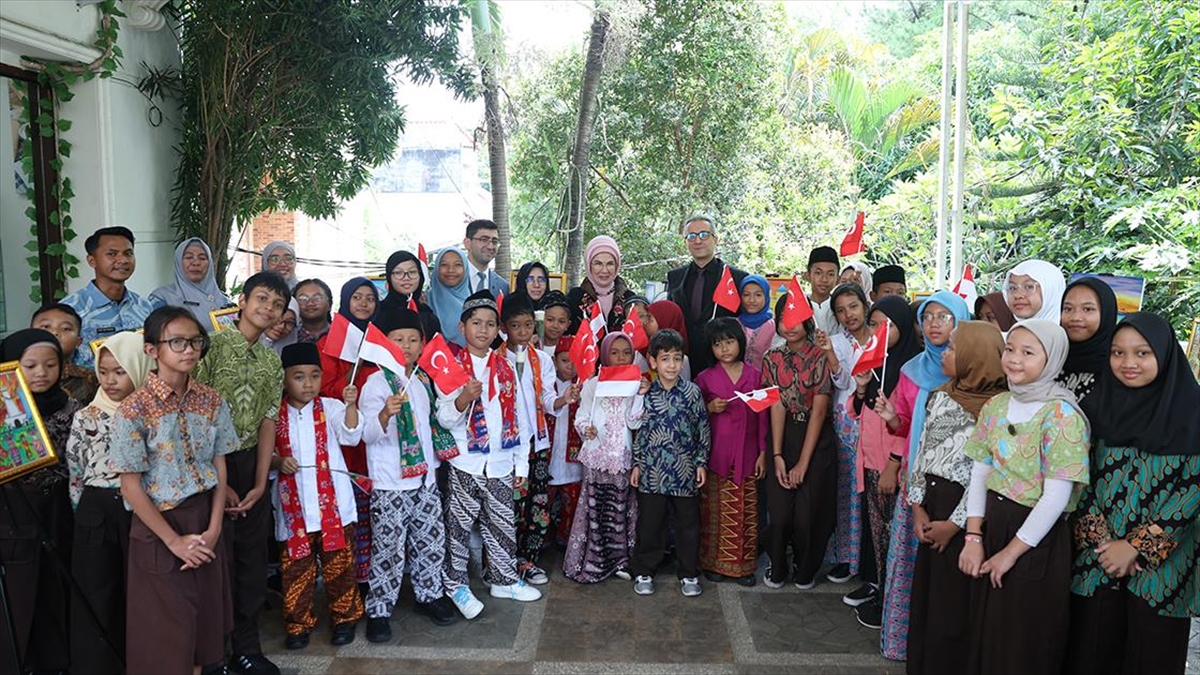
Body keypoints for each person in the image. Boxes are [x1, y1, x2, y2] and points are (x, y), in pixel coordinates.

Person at [1068, 312, 1200, 674]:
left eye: (1142, 353)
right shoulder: (1095, 406)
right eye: (1118, 353)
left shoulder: (1193, 411)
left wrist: (1136, 547)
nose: (1128, 363)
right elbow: (1080, 479)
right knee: (1091, 650)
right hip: (1098, 557)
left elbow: (1192, 493)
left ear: (1165, 353)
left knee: (1152, 655)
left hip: (1165, 566)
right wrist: (1106, 546)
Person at [108, 306, 237, 675]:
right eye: (177, 341)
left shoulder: (211, 400)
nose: (188, 349)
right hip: (158, 526)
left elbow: (219, 464)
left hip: (204, 515)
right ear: (151, 349)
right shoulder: (133, 409)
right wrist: (174, 541)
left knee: (203, 633)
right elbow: (130, 486)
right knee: (166, 637)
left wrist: (213, 530)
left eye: (195, 341)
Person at [957, 319, 1090, 674]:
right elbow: (980, 472)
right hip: (995, 524)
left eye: (1028, 352)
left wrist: (1009, 555)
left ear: (1052, 359)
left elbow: (1055, 499)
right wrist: (973, 536)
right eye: (1011, 349)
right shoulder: (997, 405)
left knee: (1023, 638)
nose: (1015, 359)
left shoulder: (1062, 415)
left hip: (1035, 538)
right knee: (987, 629)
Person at [193, 271, 289, 675]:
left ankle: (247, 649)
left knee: (250, 561)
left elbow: (269, 420)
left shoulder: (271, 361)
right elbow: (195, 414)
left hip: (251, 464)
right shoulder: (209, 348)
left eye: (277, 305)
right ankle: (214, 653)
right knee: (216, 559)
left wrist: (258, 481)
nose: (267, 308)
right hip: (209, 464)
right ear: (242, 300)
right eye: (262, 299)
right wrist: (222, 482)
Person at [871, 290, 971, 653]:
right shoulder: (911, 369)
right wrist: (892, 418)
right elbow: (905, 427)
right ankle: (902, 641)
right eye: (928, 316)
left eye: (944, 317)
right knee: (909, 558)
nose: (934, 324)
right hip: (917, 482)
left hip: (961, 487)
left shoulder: (976, 374)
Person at [904, 321, 1006, 674]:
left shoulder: (999, 408)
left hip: (966, 513)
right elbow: (922, 451)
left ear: (975, 356)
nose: (944, 354)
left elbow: (990, 474)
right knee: (928, 599)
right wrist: (917, 507)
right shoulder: (941, 394)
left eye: (951, 349)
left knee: (954, 606)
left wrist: (955, 524)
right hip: (931, 504)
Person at [436, 289, 541, 619]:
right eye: (476, 323)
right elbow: (443, 418)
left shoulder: (507, 368)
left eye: (490, 324)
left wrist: (521, 460)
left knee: (502, 524)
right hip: (465, 461)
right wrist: (463, 398)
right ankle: (454, 583)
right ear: (462, 326)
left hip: (500, 462)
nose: (483, 330)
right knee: (459, 526)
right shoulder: (451, 368)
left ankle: (504, 579)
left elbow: (520, 417)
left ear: (499, 330)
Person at [359, 306, 461, 641]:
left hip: (426, 480)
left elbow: (431, 427)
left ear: (421, 345)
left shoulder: (421, 381)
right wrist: (385, 415)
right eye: (398, 339)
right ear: (384, 343)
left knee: (429, 540)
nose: (406, 345)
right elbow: (368, 435)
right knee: (388, 548)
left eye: (413, 339)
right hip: (390, 483)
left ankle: (429, 594)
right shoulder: (375, 384)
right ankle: (379, 610)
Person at [65, 331, 153, 674]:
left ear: (139, 367)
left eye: (120, 371)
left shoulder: (152, 413)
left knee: (141, 592)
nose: (111, 380)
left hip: (140, 512)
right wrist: (82, 510)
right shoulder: (87, 415)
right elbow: (75, 469)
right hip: (96, 511)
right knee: (95, 592)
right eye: (104, 372)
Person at [269, 343, 364, 648]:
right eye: (298, 377)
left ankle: (344, 619)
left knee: (340, 567)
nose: (307, 383)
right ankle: (298, 624)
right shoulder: (273, 415)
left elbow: (351, 435)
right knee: (296, 571)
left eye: (314, 376)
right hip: (293, 510)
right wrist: (277, 461)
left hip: (334, 507)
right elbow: (264, 456)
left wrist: (350, 404)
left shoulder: (331, 407)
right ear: (284, 379)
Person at [0, 329, 83, 675]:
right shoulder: (4, 411)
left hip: (60, 511)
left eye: (50, 364)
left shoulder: (72, 407)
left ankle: (56, 663)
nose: (41, 373)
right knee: (17, 597)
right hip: (13, 515)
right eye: (30, 365)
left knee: (57, 589)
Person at [842, 296, 922, 617]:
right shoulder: (875, 363)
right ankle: (878, 587)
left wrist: (893, 464)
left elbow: (910, 424)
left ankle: (891, 600)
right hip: (869, 463)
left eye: (884, 325)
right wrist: (861, 389)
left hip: (893, 468)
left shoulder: (911, 370)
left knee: (891, 533)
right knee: (876, 531)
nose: (877, 331)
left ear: (901, 325)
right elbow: (855, 412)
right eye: (873, 325)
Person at [761, 294, 837, 590]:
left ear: (807, 320)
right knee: (779, 514)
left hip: (816, 439)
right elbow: (776, 405)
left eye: (795, 319)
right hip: (783, 434)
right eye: (783, 319)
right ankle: (777, 566)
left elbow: (819, 410)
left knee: (808, 516)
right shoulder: (772, 358)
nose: (789, 325)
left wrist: (803, 463)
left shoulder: (820, 355)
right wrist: (777, 454)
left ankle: (805, 568)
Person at [630, 329, 711, 597]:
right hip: (652, 472)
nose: (672, 365)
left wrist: (701, 462)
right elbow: (638, 432)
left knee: (688, 524)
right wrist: (637, 464)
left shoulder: (692, 393)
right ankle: (644, 571)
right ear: (653, 361)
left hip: (685, 470)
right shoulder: (645, 393)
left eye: (677, 359)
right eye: (665, 359)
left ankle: (688, 573)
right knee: (650, 524)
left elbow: (703, 429)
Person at [564, 332, 645, 584]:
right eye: (614, 352)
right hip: (596, 456)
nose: (620, 358)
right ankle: (593, 561)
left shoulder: (635, 384)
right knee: (595, 509)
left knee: (620, 510)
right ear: (605, 353)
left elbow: (634, 421)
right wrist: (586, 428)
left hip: (621, 457)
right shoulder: (592, 384)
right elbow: (582, 416)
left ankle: (620, 560)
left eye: (626, 353)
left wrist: (640, 394)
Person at [502, 292, 571, 585]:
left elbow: (546, 399)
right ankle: (502, 561)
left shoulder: (541, 359)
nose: (522, 332)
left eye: (528, 325)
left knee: (537, 504)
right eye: (515, 326)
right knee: (509, 506)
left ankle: (528, 561)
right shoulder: (495, 359)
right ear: (503, 327)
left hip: (536, 443)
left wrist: (561, 400)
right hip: (507, 446)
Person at [317, 277, 381, 587]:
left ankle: (373, 575)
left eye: (370, 298)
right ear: (345, 301)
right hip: (343, 444)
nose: (364, 303)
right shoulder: (328, 344)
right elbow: (324, 389)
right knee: (348, 513)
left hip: (379, 442)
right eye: (357, 297)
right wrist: (353, 385)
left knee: (374, 514)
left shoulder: (382, 344)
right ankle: (348, 581)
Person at [694, 318, 766, 586]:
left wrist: (762, 452)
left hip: (748, 455)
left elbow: (763, 418)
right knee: (715, 511)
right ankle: (713, 563)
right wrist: (709, 408)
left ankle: (744, 567)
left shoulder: (755, 376)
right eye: (717, 343)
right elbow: (693, 416)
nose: (724, 348)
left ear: (740, 342)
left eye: (729, 341)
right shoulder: (704, 378)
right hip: (717, 456)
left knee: (746, 510)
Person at [815, 283, 873, 587]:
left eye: (853, 306)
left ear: (865, 305)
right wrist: (830, 354)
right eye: (840, 310)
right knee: (848, 490)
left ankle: (869, 556)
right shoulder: (836, 342)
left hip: (876, 420)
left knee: (873, 492)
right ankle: (846, 557)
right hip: (846, 422)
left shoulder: (882, 338)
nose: (848, 314)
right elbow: (839, 380)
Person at [62, 226, 155, 367]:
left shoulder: (144, 307)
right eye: (112, 254)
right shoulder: (70, 309)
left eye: (128, 253)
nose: (122, 260)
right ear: (92, 261)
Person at [666, 215, 748, 372]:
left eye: (704, 235)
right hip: (683, 363)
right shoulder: (674, 277)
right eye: (691, 236)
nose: (697, 241)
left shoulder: (737, 278)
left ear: (716, 239)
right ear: (686, 242)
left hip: (723, 364)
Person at [546, 336, 584, 548]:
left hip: (573, 459)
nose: (570, 366)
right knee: (545, 504)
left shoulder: (584, 385)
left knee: (572, 504)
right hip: (550, 457)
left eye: (574, 361)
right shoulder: (546, 384)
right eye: (564, 360)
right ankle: (543, 541)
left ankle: (567, 542)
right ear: (555, 361)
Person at [1059, 276, 1118, 402]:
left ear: (1105, 314)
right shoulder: (1050, 359)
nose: (1075, 317)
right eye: (1068, 309)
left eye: (1087, 309)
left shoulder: (1117, 368)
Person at [149, 237, 233, 325]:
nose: (196, 263)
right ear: (178, 263)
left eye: (202, 258)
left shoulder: (224, 301)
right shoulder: (162, 298)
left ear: (210, 264)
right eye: (189, 257)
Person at [567, 235, 636, 334]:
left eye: (610, 264)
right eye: (598, 264)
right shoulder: (575, 298)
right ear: (589, 265)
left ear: (617, 266)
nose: (604, 270)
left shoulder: (629, 299)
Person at [31, 302, 98, 403]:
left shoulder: (90, 378)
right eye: (45, 326)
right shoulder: (15, 377)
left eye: (66, 328)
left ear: (78, 342)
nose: (55, 332)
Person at [382, 250, 442, 339]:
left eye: (412, 272)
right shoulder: (379, 313)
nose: (406, 278)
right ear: (389, 277)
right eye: (398, 273)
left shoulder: (427, 314)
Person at [428, 246, 472, 348]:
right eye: (444, 264)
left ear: (465, 268)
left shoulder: (475, 304)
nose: (451, 270)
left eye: (458, 265)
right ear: (436, 268)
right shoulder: (425, 301)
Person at [1002, 259, 1067, 323]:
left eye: (1029, 287)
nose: (1018, 295)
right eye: (1012, 288)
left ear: (1050, 292)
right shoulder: (1010, 333)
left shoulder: (1068, 332)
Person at [462, 220, 511, 297]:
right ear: (468, 243)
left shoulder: (503, 287)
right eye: (484, 240)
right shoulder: (452, 278)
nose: (490, 246)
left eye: (494, 241)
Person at [737, 275, 775, 370]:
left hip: (766, 381)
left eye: (758, 295)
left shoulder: (775, 326)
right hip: (736, 382)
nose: (751, 300)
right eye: (746, 295)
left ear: (766, 296)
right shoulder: (734, 325)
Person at [806, 246, 841, 335]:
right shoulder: (799, 304)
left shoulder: (841, 306)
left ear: (838, 279)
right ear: (808, 276)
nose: (824, 279)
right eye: (818, 273)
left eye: (830, 274)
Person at [293, 278, 334, 343]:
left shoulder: (342, 335)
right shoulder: (287, 336)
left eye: (317, 298)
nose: (310, 303)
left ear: (330, 304)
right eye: (303, 298)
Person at [539, 290, 573, 354]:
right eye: (550, 320)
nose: (555, 326)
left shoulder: (572, 348)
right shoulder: (530, 346)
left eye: (561, 321)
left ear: (568, 325)